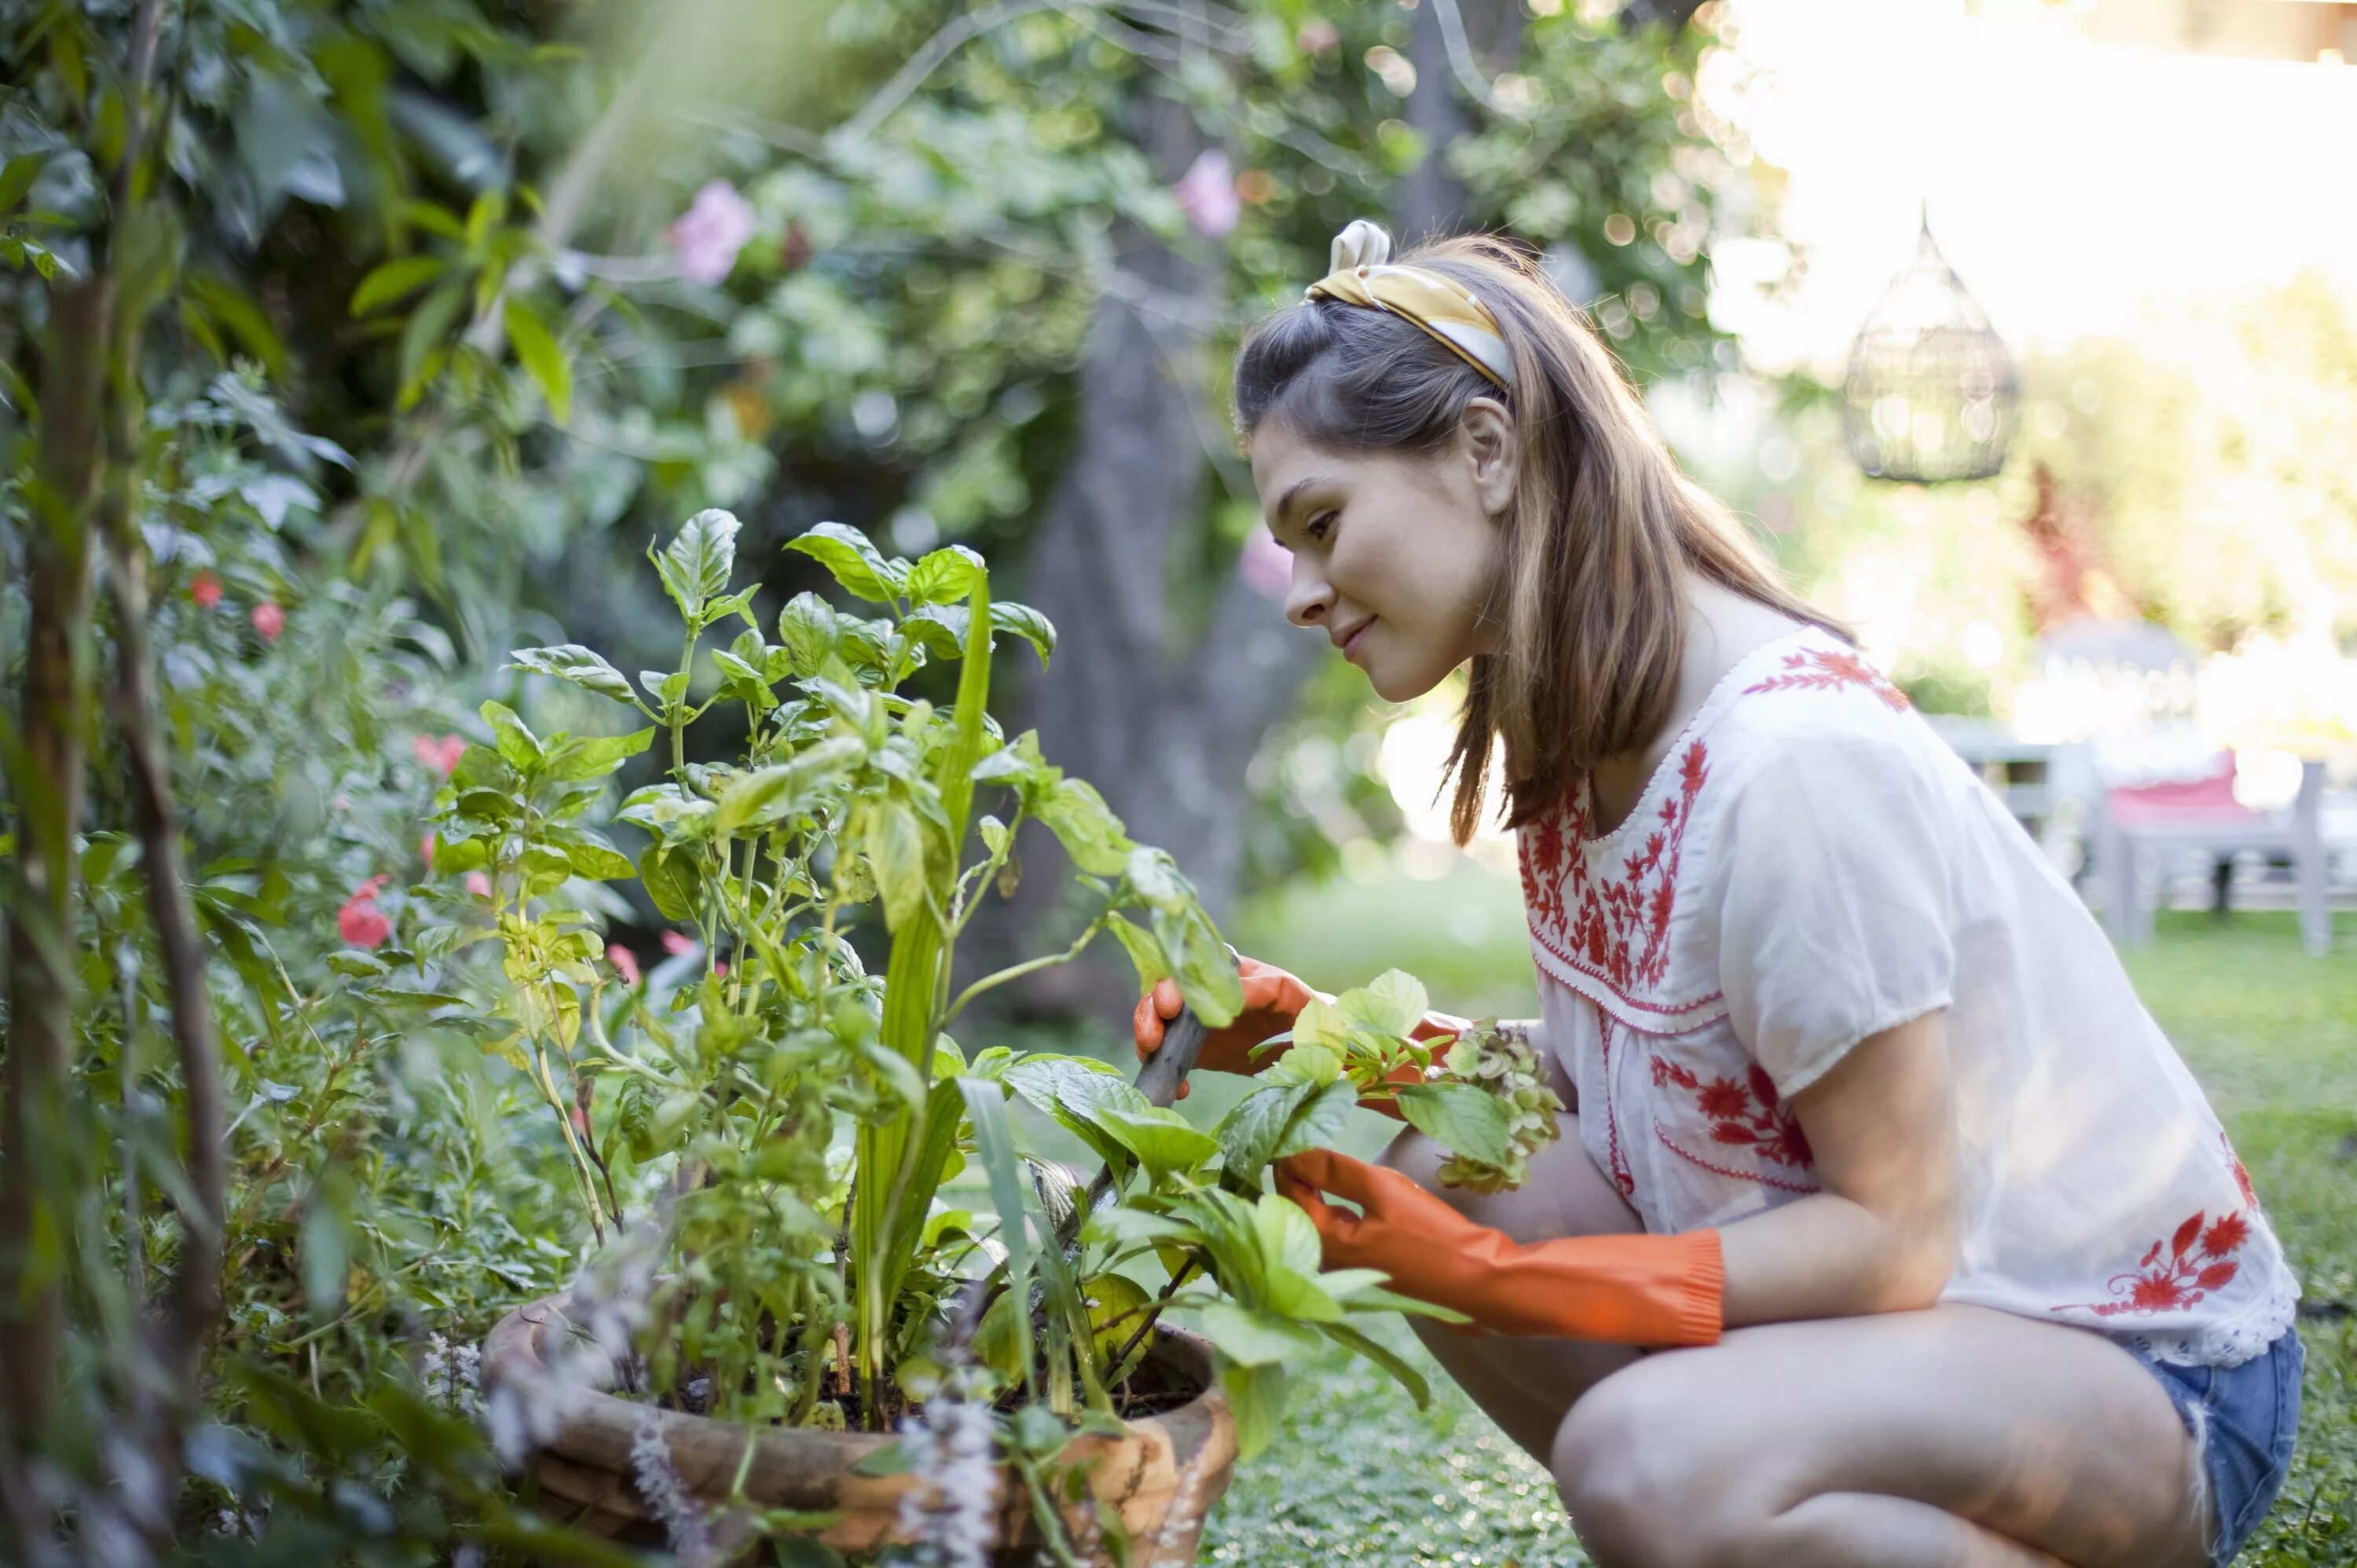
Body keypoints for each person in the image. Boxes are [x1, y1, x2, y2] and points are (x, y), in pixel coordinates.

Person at [1132, 221, 2304, 1568]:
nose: (1302, 591)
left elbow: (1892, 1239)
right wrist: (1319, 1039)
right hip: (1915, 1352)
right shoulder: (1576, 725)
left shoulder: (1792, 768)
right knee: (1438, 1166)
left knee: (1644, 1458)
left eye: (1322, 524)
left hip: (2123, 1375)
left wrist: (1508, 1282)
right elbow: (1614, 1088)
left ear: (1486, 450)